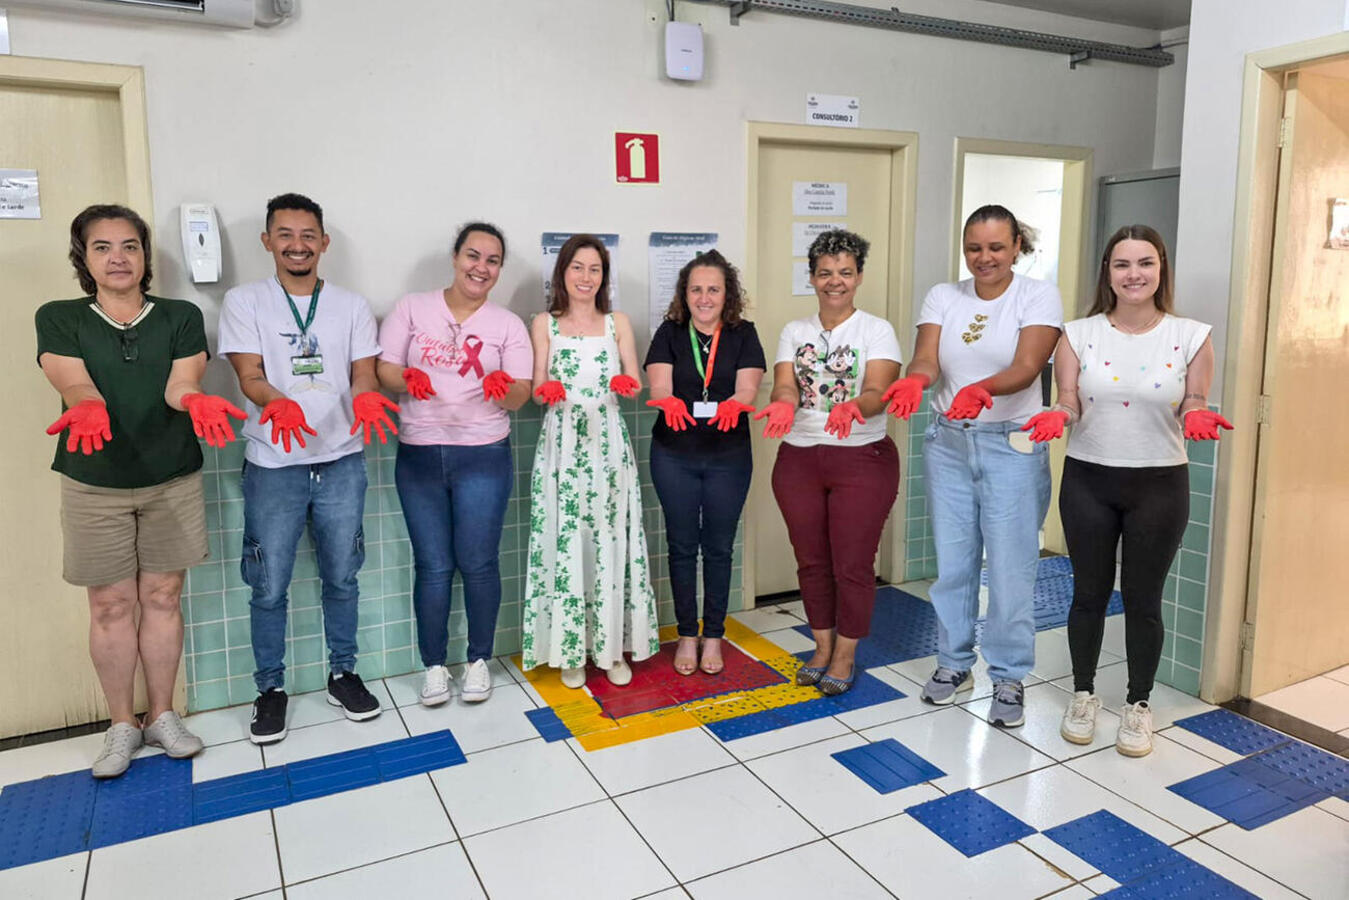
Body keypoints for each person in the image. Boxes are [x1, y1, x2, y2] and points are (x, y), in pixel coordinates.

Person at [36, 204, 244, 777]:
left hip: (170, 477)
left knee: (161, 599)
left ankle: (162, 715)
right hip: (94, 483)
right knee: (109, 604)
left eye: (129, 245)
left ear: (145, 255)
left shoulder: (179, 315)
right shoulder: (60, 317)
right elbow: (72, 379)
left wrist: (196, 399)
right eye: (102, 247)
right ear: (84, 258)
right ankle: (120, 725)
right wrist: (89, 403)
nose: (118, 257)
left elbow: (182, 382)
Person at [1021, 225, 1232, 757]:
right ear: (1108, 273)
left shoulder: (1191, 335)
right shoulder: (1078, 332)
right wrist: (1056, 415)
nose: (1133, 274)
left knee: (1143, 599)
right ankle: (1084, 694)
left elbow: (1196, 398)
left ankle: (1139, 704)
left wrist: (1199, 413)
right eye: (1122, 265)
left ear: (1161, 269)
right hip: (1089, 478)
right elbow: (1069, 399)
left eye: (1145, 263)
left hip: (1160, 482)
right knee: (1088, 594)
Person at [219, 193, 396, 744]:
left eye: (308, 235)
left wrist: (365, 397)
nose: (298, 245)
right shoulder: (245, 301)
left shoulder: (350, 305)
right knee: (268, 584)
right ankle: (270, 689)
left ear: (324, 242)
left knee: (343, 576)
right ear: (268, 241)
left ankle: (343, 673)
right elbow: (247, 375)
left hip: (341, 460)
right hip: (274, 463)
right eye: (285, 234)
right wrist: (276, 400)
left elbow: (363, 373)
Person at [885, 204, 1062, 727]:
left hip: (1012, 446)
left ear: (1016, 248)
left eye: (996, 247)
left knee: (1010, 568)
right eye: (974, 248)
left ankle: (1008, 676)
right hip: (949, 443)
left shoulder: (1036, 295)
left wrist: (981, 389)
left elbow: (1027, 368)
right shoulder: (944, 295)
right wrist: (914, 382)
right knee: (955, 563)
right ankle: (953, 663)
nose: (984, 258)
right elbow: (928, 359)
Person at [376, 223, 532, 706]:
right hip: (420, 454)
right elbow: (384, 369)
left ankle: (479, 660)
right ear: (455, 257)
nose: (480, 268)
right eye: (473, 256)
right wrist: (406, 377)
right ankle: (434, 667)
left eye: (492, 261)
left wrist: (504, 387)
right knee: (434, 565)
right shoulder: (412, 308)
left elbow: (522, 394)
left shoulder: (507, 324)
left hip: (484, 454)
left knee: (480, 562)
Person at [755, 229, 901, 696]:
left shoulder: (877, 330)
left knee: (852, 564)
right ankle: (821, 645)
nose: (834, 281)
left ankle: (845, 653)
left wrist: (858, 406)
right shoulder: (794, 332)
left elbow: (878, 390)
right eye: (825, 273)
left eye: (844, 272)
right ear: (812, 277)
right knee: (812, 560)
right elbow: (785, 385)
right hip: (799, 456)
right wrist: (782, 403)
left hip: (863, 457)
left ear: (858, 276)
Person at [522, 234, 659, 688]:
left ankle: (612, 650)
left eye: (595, 269)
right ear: (563, 272)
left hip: (608, 444)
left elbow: (633, 380)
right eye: (577, 267)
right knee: (567, 541)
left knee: (609, 539)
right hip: (562, 444)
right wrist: (547, 392)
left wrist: (626, 386)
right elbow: (539, 385)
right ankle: (571, 650)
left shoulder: (618, 321)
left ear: (604, 276)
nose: (586, 277)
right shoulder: (545, 323)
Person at [643, 251, 765, 675]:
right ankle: (686, 636)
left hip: (728, 456)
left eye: (713, 289)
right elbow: (658, 383)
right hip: (674, 453)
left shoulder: (743, 334)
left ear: (727, 293)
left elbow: (749, 387)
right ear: (685, 293)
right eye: (696, 289)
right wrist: (668, 399)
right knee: (681, 547)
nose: (704, 297)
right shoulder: (670, 332)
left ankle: (714, 634)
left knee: (717, 547)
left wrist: (738, 402)